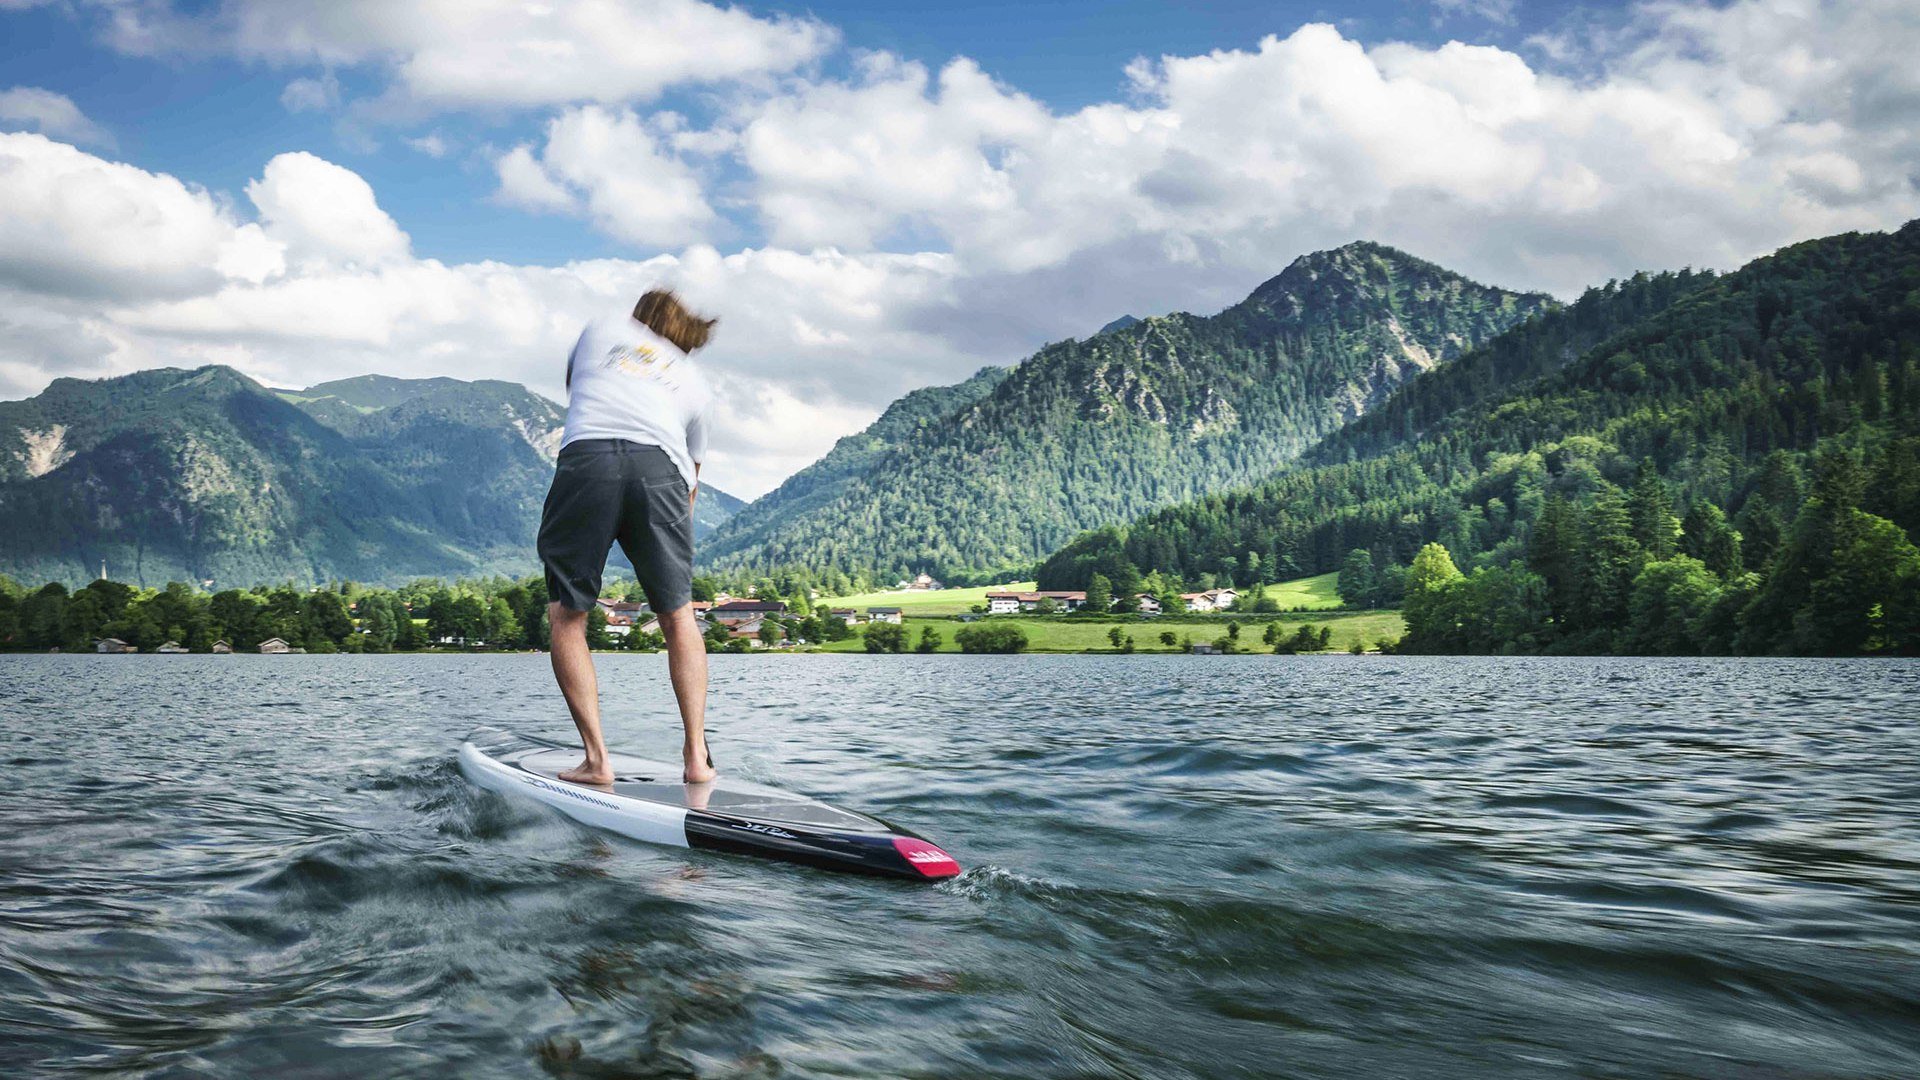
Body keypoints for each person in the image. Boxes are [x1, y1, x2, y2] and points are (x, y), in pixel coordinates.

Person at [537, 289, 717, 785]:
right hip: (663, 471)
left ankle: (596, 762)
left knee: (569, 614)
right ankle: (697, 760)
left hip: (589, 461)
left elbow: (577, 388)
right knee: (679, 616)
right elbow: (692, 488)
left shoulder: (600, 329)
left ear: (642, 316)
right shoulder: (695, 381)